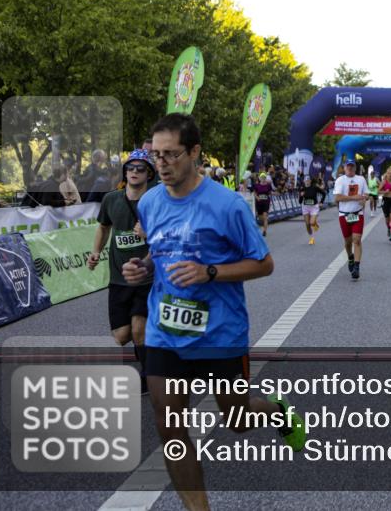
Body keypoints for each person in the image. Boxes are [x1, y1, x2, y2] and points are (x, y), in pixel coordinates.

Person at [121, 114, 304, 511]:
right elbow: (160, 249)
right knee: (169, 427)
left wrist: (210, 272)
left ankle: (277, 411)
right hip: (165, 331)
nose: (162, 164)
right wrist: (143, 268)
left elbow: (264, 264)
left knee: (237, 420)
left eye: (171, 154)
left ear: (195, 152)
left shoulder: (227, 205)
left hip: (220, 333)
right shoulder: (150, 202)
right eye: (156, 156)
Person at [87, 149, 156, 393]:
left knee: (139, 330)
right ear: (125, 172)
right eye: (130, 168)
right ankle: (152, 353)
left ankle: (148, 376)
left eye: (140, 168)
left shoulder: (156, 201)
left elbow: (168, 235)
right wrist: (96, 252)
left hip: (147, 276)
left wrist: (148, 234)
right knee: (122, 336)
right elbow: (103, 227)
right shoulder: (111, 199)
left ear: (149, 174)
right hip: (118, 277)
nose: (134, 172)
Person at [334, 159, 368, 280]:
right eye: (348, 166)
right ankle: (350, 257)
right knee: (348, 242)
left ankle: (357, 268)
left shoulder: (361, 179)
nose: (350, 168)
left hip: (358, 213)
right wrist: (355, 198)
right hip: (344, 215)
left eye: (352, 166)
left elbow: (366, 194)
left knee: (357, 240)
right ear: (344, 168)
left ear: (355, 168)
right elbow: (337, 198)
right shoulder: (340, 180)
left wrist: (364, 199)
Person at [298, 175, 325, 245]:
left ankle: (315, 225)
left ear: (310, 181)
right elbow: (300, 202)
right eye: (305, 180)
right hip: (305, 207)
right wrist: (301, 196)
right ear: (304, 181)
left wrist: (321, 202)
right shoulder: (302, 189)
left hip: (314, 207)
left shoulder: (315, 187)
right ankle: (311, 238)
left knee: (312, 223)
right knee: (307, 224)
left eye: (308, 180)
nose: (307, 181)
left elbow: (323, 193)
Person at [253, 172, 273, 236]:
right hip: (259, 202)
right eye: (262, 177)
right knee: (260, 217)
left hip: (266, 202)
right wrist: (257, 197)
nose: (263, 179)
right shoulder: (257, 185)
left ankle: (264, 231)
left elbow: (270, 193)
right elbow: (254, 193)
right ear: (259, 178)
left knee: (265, 216)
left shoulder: (268, 185)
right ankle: (265, 221)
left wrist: (275, 194)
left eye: (264, 177)